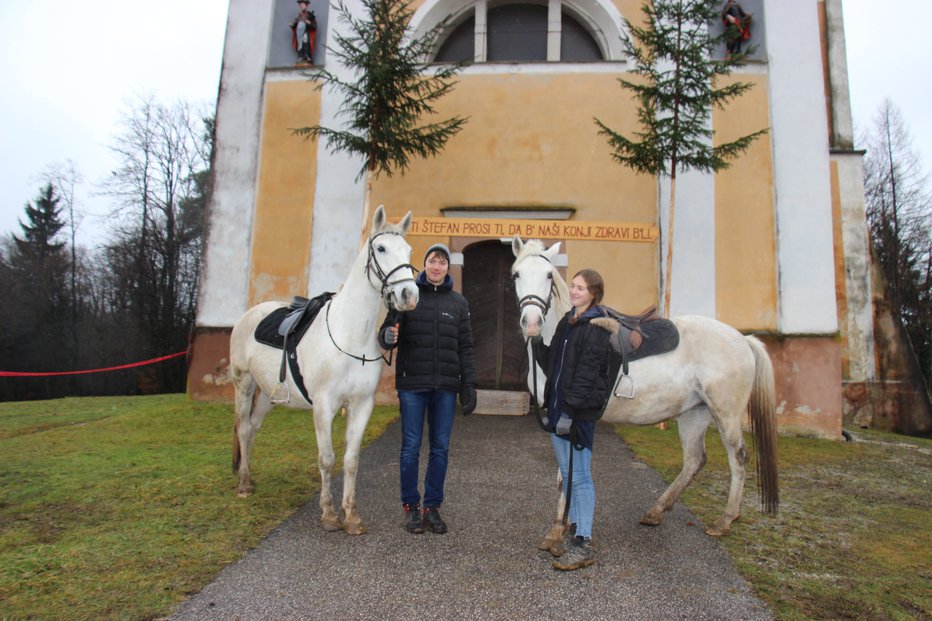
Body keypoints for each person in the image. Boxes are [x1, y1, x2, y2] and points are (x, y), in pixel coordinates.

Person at [378, 243, 478, 534]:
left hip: (446, 388)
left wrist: (469, 384)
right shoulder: (409, 295)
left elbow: (466, 347)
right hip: (413, 384)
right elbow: (387, 334)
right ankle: (410, 508)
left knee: (440, 449)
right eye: (432, 261)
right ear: (424, 265)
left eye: (442, 262)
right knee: (410, 448)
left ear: (448, 268)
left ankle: (432, 507)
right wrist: (387, 335)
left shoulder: (459, 303)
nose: (437, 267)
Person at [532, 269, 613, 570]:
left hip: (577, 415)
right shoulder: (569, 322)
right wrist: (535, 342)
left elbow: (587, 375)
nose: (575, 291)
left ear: (594, 293)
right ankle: (576, 533)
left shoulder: (598, 327)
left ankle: (585, 542)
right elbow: (553, 362)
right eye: (574, 286)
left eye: (581, 287)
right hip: (558, 411)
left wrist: (569, 410)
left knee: (580, 477)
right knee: (569, 475)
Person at [290, 0, 317, 64]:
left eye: (303, 5)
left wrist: (309, 23)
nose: (301, 7)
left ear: (306, 6)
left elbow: (314, 26)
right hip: (299, 32)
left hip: (305, 31)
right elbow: (295, 23)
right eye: (300, 5)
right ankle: (301, 56)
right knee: (299, 44)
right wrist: (293, 25)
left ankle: (307, 56)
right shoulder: (299, 15)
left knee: (305, 42)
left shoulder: (310, 15)